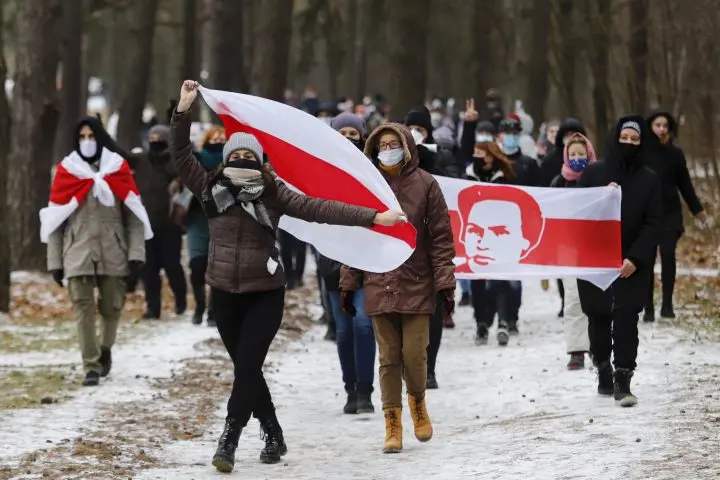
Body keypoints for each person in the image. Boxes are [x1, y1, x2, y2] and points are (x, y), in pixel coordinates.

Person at [172, 80, 406, 472]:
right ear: (227, 159)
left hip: (265, 292)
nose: (243, 159)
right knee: (247, 370)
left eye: (250, 154)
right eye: (237, 154)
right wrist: (182, 110)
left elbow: (319, 208)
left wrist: (374, 217)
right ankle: (274, 433)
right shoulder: (210, 188)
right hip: (225, 292)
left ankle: (228, 440)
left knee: (247, 367)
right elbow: (180, 156)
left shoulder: (273, 192)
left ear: (261, 160)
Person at [340, 122, 456, 454]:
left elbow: (441, 238)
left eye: (394, 144)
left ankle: (418, 403)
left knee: (414, 354)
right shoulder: (367, 186)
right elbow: (356, 237)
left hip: (417, 280)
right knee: (389, 357)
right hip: (379, 279)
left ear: (406, 147)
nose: (388, 149)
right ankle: (392, 422)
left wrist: (445, 282)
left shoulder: (427, 184)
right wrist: (349, 283)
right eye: (382, 145)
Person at [42, 117, 149, 386]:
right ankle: (90, 365)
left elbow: (134, 215)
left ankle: (105, 349)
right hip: (77, 252)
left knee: (112, 307)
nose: (87, 141)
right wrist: (55, 261)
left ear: (100, 138)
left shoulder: (117, 168)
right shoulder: (67, 171)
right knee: (83, 309)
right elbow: (55, 220)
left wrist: (136, 254)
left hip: (114, 250)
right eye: (82, 136)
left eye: (91, 136)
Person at [577, 115, 662, 407]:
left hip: (632, 261)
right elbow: (578, 215)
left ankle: (623, 378)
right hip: (595, 259)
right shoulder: (593, 175)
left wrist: (636, 258)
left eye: (635, 139)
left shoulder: (650, 179)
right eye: (624, 138)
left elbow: (654, 223)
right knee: (598, 315)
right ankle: (602, 366)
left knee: (627, 317)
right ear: (615, 139)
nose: (628, 143)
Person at [320, 112, 376, 414]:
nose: (348, 139)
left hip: (367, 259)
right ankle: (351, 389)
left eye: (353, 134)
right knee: (343, 331)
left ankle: (366, 391)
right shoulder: (321, 169)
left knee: (364, 325)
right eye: (342, 133)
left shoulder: (372, 170)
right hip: (333, 260)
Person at [403, 105, 459, 386]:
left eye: (421, 130)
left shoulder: (443, 156)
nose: (416, 134)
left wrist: (428, 159)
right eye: (411, 129)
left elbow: (454, 185)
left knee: (434, 310)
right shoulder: (395, 159)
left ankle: (430, 367)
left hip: (433, 244)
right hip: (405, 244)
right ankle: (410, 364)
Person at [643, 110, 705, 321]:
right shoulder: (640, 152)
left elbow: (684, 183)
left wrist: (697, 210)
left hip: (670, 213)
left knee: (668, 255)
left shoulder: (675, 154)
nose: (661, 129)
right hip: (646, 214)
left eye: (665, 126)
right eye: (657, 125)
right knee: (646, 260)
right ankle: (648, 306)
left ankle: (667, 304)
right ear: (650, 126)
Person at [461, 141, 517, 345]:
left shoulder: (504, 177)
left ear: (491, 156)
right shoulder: (467, 176)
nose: (476, 156)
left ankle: (502, 321)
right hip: (477, 235)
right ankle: (481, 323)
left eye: (481, 153)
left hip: (499, 236)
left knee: (500, 279)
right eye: (474, 152)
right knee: (477, 281)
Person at [550, 133, 597, 369]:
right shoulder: (559, 182)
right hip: (568, 248)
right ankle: (577, 349)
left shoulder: (600, 178)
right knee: (573, 298)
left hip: (595, 247)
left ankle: (598, 347)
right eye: (573, 155)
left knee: (598, 300)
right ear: (566, 156)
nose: (577, 158)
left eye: (581, 154)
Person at [134, 124, 188, 319]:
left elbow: (184, 186)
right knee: (149, 270)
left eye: (160, 138)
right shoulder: (141, 161)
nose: (155, 141)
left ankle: (181, 300)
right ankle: (153, 307)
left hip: (169, 226)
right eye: (152, 138)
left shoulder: (174, 162)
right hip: (147, 226)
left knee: (172, 266)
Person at [186, 125, 226, 325]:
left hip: (222, 218)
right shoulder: (197, 158)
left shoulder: (231, 163)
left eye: (222, 137)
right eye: (215, 137)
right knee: (197, 264)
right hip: (197, 218)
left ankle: (212, 310)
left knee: (216, 268)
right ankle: (199, 305)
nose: (218, 140)